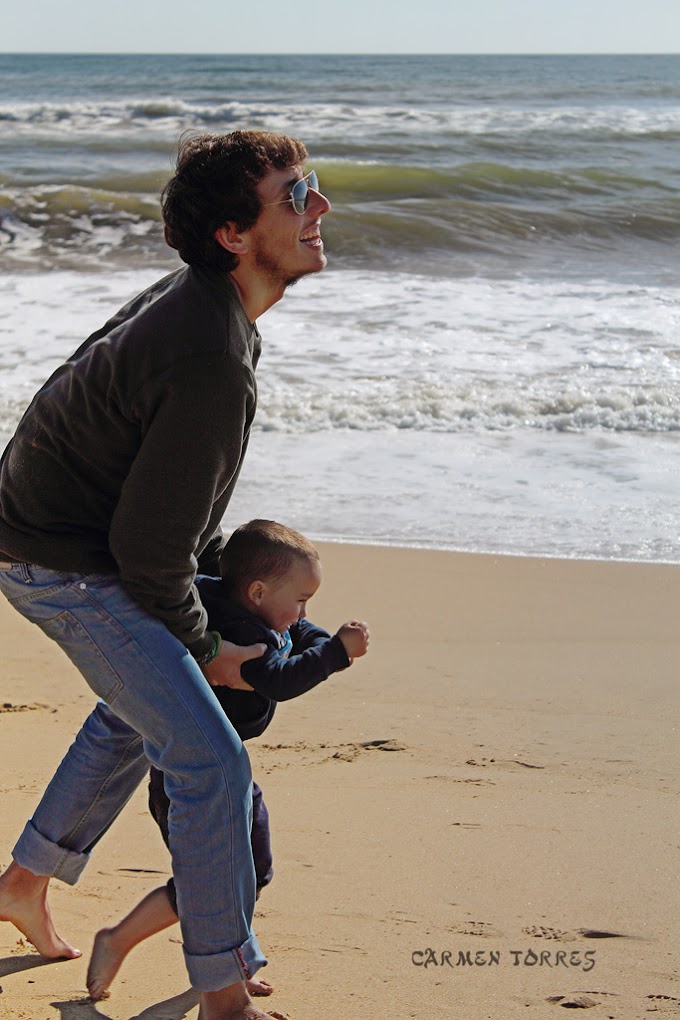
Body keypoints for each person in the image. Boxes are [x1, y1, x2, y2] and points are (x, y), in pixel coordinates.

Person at [0, 130, 331, 1020]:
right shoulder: (209, 353)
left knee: (135, 708)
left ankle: (24, 881)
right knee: (208, 757)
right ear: (233, 233)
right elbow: (152, 556)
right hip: (64, 564)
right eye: (296, 196)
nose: (320, 208)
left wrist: (210, 612)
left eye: (314, 187)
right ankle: (224, 991)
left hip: (72, 543)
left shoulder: (209, 311)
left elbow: (168, 524)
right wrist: (211, 645)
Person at [86, 518, 370, 1002]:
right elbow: (282, 679)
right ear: (258, 592)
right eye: (299, 599)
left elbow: (299, 630)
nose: (303, 612)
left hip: (226, 769)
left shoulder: (227, 599)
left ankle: (233, 963)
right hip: (190, 778)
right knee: (211, 879)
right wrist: (336, 653)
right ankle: (120, 941)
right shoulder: (246, 636)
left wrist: (314, 634)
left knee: (248, 873)